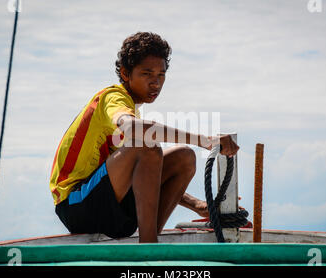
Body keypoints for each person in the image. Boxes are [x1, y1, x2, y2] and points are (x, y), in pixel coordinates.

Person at [50, 32, 240, 243]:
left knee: (184, 157)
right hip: (76, 206)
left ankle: (148, 237)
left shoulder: (133, 109)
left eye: (161, 75)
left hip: (112, 210)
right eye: (147, 74)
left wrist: (198, 205)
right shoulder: (112, 97)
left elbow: (143, 175)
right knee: (145, 144)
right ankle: (149, 245)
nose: (155, 83)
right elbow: (134, 129)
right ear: (125, 73)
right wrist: (206, 141)